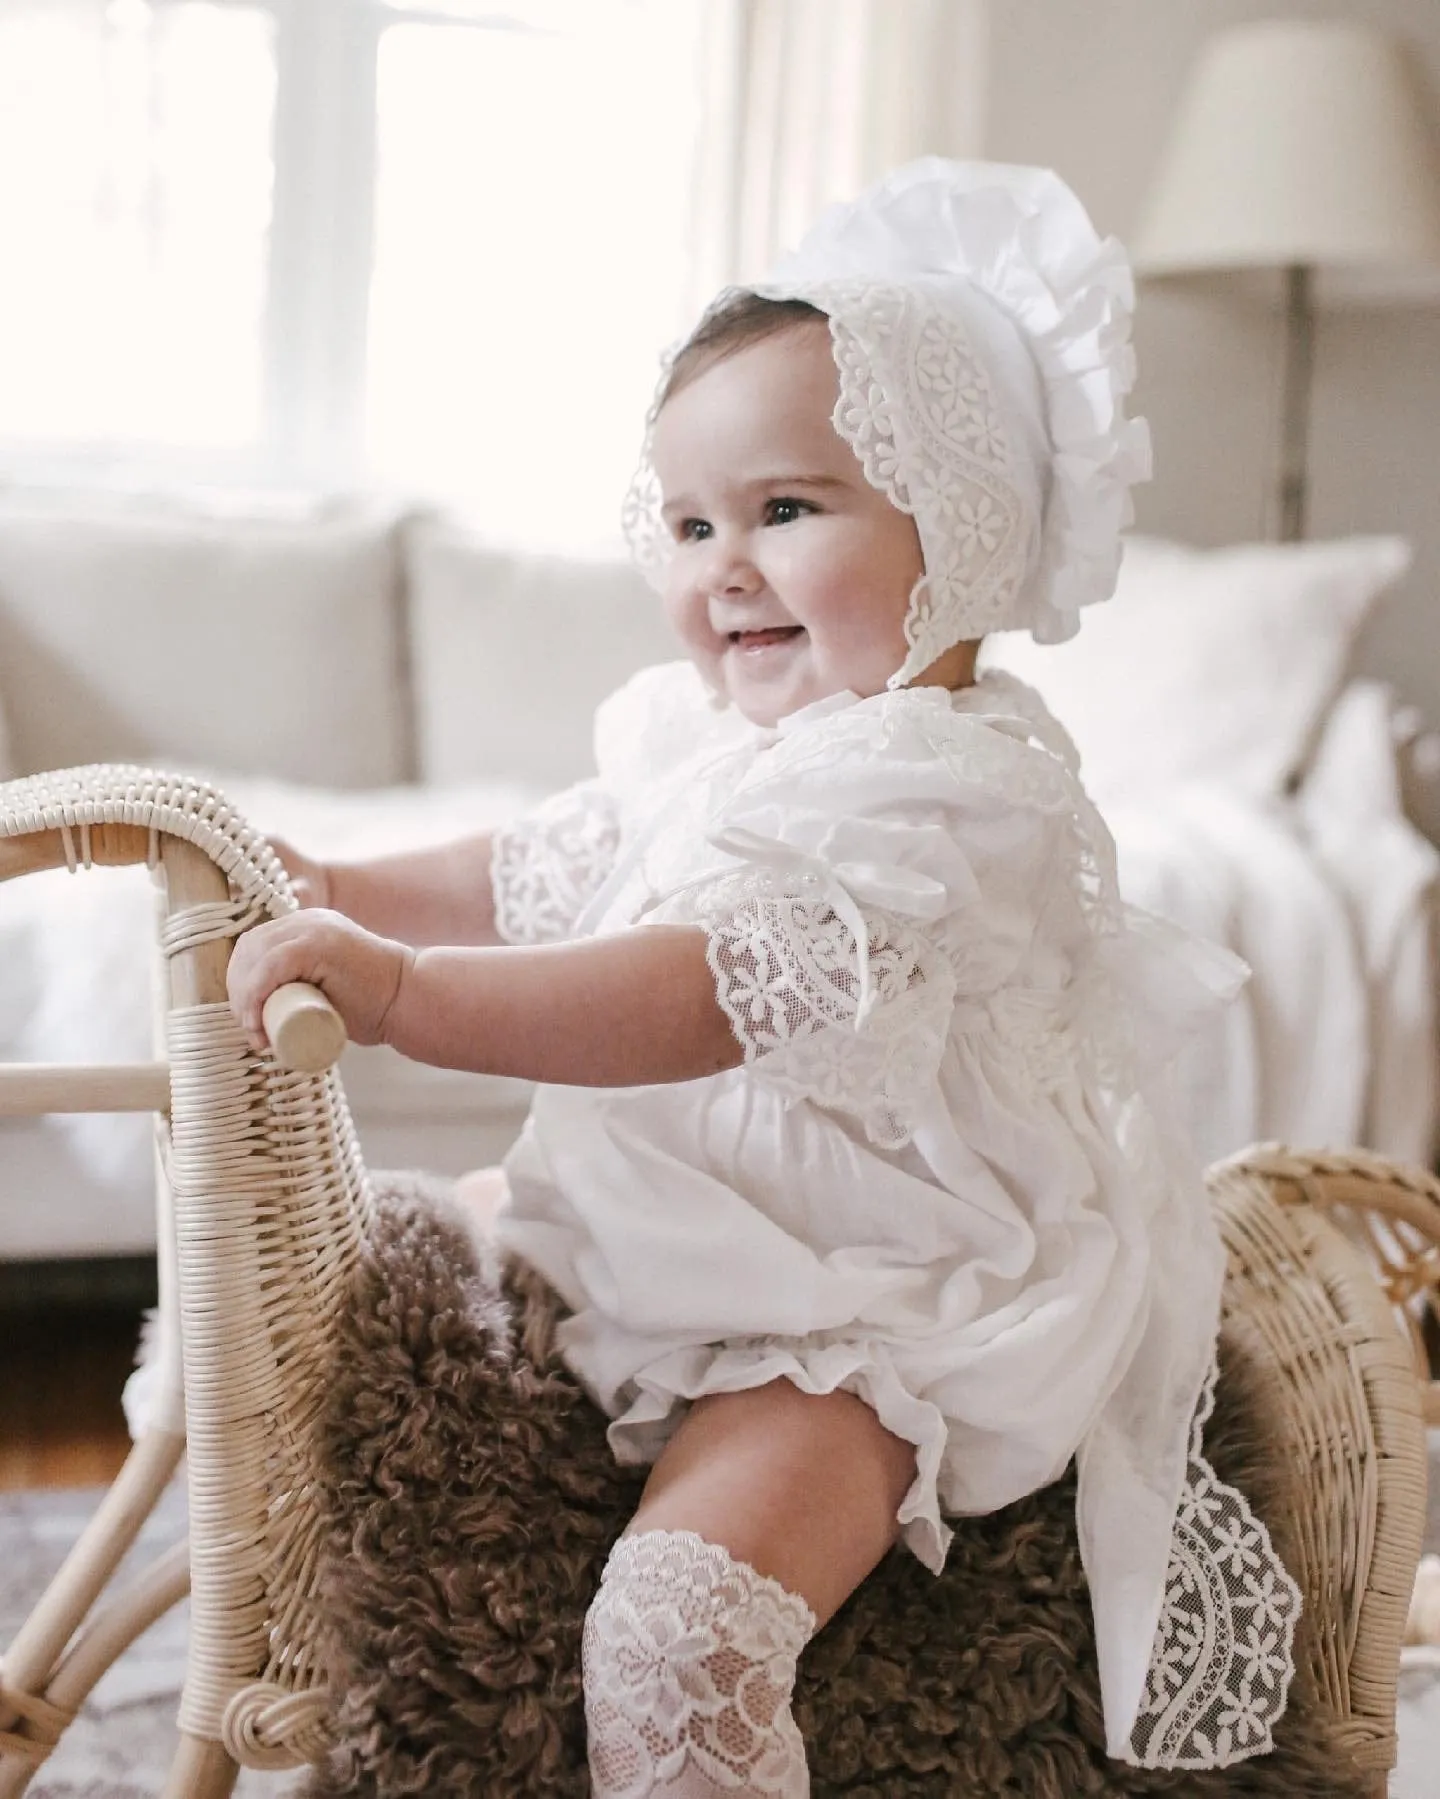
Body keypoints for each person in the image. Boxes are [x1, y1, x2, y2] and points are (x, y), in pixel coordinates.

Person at [227, 160, 1300, 1795]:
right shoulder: (720, 739)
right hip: (665, 1243)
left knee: (674, 1629)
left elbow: (696, 993)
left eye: (786, 510)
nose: (724, 563)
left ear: (966, 523)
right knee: (354, 1298)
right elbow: (541, 865)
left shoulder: (950, 793)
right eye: (689, 523)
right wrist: (336, 883)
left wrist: (399, 994)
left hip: (849, 1305)